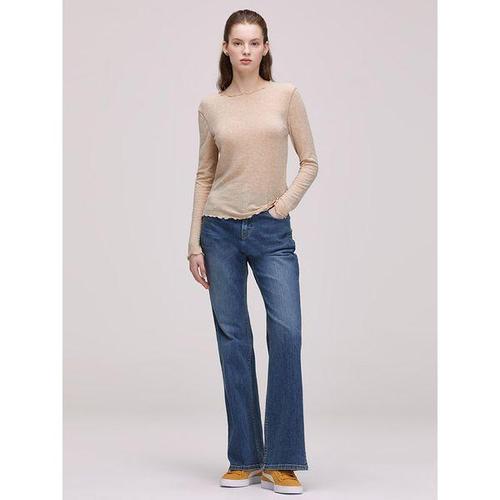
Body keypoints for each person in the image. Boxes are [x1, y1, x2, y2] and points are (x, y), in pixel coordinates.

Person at [187, 9, 319, 495]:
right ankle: (244, 458)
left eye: (254, 42)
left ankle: (282, 460)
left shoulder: (285, 96)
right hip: (219, 232)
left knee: (287, 334)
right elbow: (205, 174)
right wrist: (194, 241)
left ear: (265, 48)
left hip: (270, 232)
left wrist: (281, 207)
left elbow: (310, 161)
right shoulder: (211, 106)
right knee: (233, 341)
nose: (246, 50)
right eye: (238, 42)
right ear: (226, 48)